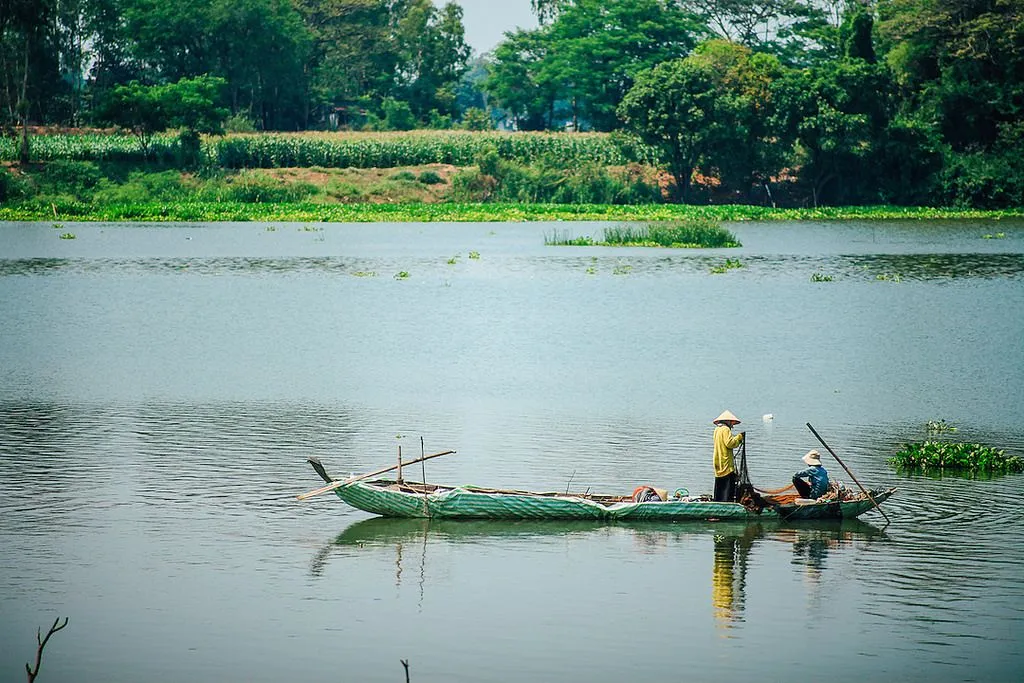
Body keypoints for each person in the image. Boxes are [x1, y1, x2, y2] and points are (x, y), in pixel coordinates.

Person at [712, 410, 745, 502]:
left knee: (719, 482)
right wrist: (739, 438)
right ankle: (726, 502)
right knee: (727, 483)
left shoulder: (717, 429)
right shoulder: (725, 429)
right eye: (731, 423)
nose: (732, 425)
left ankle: (718, 500)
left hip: (717, 460)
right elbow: (730, 443)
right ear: (728, 421)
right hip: (725, 460)